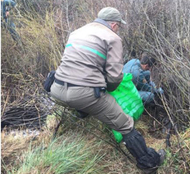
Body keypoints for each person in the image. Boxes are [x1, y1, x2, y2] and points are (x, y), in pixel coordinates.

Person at [50, 7, 165, 173]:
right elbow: (114, 77)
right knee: (125, 124)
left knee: (82, 102)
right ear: (113, 24)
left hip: (57, 89)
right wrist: (109, 90)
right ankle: (149, 163)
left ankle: (82, 113)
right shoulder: (113, 38)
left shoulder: (76, 32)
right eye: (118, 25)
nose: (118, 28)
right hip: (84, 94)